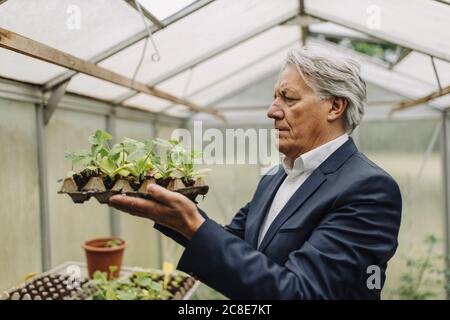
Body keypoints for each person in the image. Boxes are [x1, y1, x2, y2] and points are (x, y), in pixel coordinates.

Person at [108, 47, 402, 299]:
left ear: (335, 106)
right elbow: (236, 246)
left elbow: (302, 292)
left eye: (288, 98)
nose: (272, 111)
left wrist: (194, 226)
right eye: (275, 98)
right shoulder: (275, 177)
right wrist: (173, 218)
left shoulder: (368, 189)